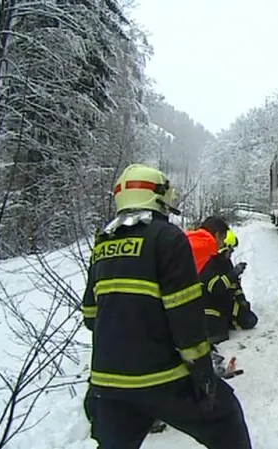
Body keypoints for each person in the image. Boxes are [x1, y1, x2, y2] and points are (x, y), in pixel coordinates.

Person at [81, 163, 251, 449]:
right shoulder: (168, 238)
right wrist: (203, 374)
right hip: (161, 377)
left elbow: (90, 316)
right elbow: (185, 317)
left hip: (107, 383)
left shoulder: (102, 243)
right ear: (158, 196)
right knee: (227, 419)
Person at [199, 229, 258, 343]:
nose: (231, 253)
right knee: (219, 334)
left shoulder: (227, 263)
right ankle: (223, 324)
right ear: (224, 248)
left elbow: (235, 286)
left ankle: (228, 321)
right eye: (230, 250)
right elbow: (216, 287)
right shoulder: (209, 262)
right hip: (210, 306)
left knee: (250, 320)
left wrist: (242, 300)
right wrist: (234, 273)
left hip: (225, 303)